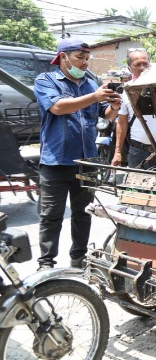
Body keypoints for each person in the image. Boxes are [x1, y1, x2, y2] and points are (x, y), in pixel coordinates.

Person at [33, 38, 121, 270]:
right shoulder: (46, 80)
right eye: (79, 58)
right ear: (63, 57)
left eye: (86, 58)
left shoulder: (90, 85)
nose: (84, 63)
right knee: (51, 215)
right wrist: (94, 97)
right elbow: (58, 107)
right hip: (56, 161)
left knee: (83, 213)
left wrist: (115, 105)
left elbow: (107, 116)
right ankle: (46, 264)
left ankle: (79, 259)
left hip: (86, 161)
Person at [112, 48, 156, 170]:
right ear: (129, 68)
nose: (142, 68)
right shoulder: (127, 91)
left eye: (145, 64)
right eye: (137, 64)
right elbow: (122, 123)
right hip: (138, 152)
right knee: (137, 188)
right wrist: (117, 152)